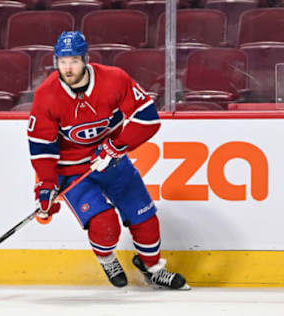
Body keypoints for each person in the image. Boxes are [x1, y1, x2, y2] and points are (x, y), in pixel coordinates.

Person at [27, 31, 190, 290]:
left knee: (145, 219)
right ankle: (106, 258)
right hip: (72, 171)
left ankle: (153, 268)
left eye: (74, 61)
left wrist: (115, 147)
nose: (68, 68)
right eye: (62, 61)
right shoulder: (47, 94)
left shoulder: (114, 79)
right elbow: (41, 145)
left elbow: (147, 118)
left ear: (86, 60)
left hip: (113, 162)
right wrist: (46, 185)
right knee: (105, 225)